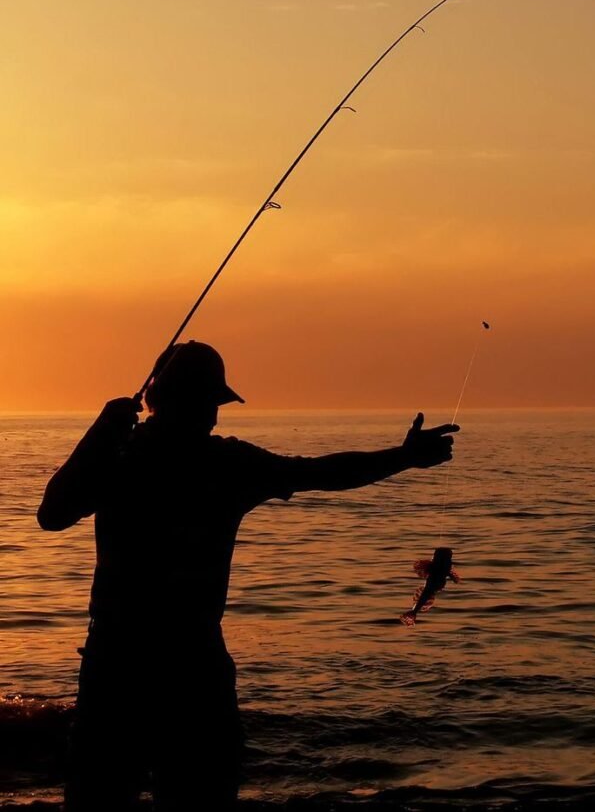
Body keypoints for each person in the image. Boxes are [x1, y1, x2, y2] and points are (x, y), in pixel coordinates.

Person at [38, 341, 459, 812]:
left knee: (104, 799)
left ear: (152, 396)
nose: (213, 416)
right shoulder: (214, 463)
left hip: (120, 663)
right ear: (182, 401)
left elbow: (52, 514)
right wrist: (402, 458)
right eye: (208, 403)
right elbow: (322, 473)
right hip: (183, 666)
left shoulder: (124, 456)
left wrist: (98, 437)